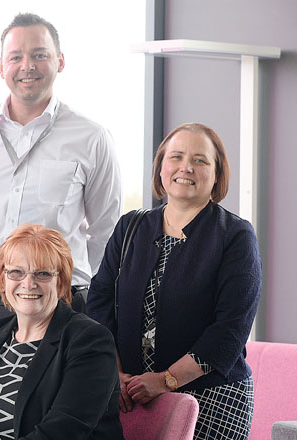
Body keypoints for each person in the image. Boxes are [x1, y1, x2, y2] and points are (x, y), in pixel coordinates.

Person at [0, 12, 122, 401]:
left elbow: (104, 234)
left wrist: (63, 282)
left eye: (40, 54)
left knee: (48, 421)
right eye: (16, 57)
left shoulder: (91, 137)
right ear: (0, 66)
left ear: (60, 61)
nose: (28, 66)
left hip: (59, 311)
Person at [87, 123, 261, 440]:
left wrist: (166, 379)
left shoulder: (235, 236)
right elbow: (98, 304)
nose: (186, 167)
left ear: (217, 173)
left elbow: (230, 329)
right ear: (161, 167)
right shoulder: (130, 227)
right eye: (176, 156)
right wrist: (114, 373)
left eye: (200, 160)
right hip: (129, 395)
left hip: (214, 399)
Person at [0, 223, 122, 439]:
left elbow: (61, 432)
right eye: (16, 272)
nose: (28, 283)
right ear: (3, 279)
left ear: (61, 281)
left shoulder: (90, 341)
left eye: (42, 274)